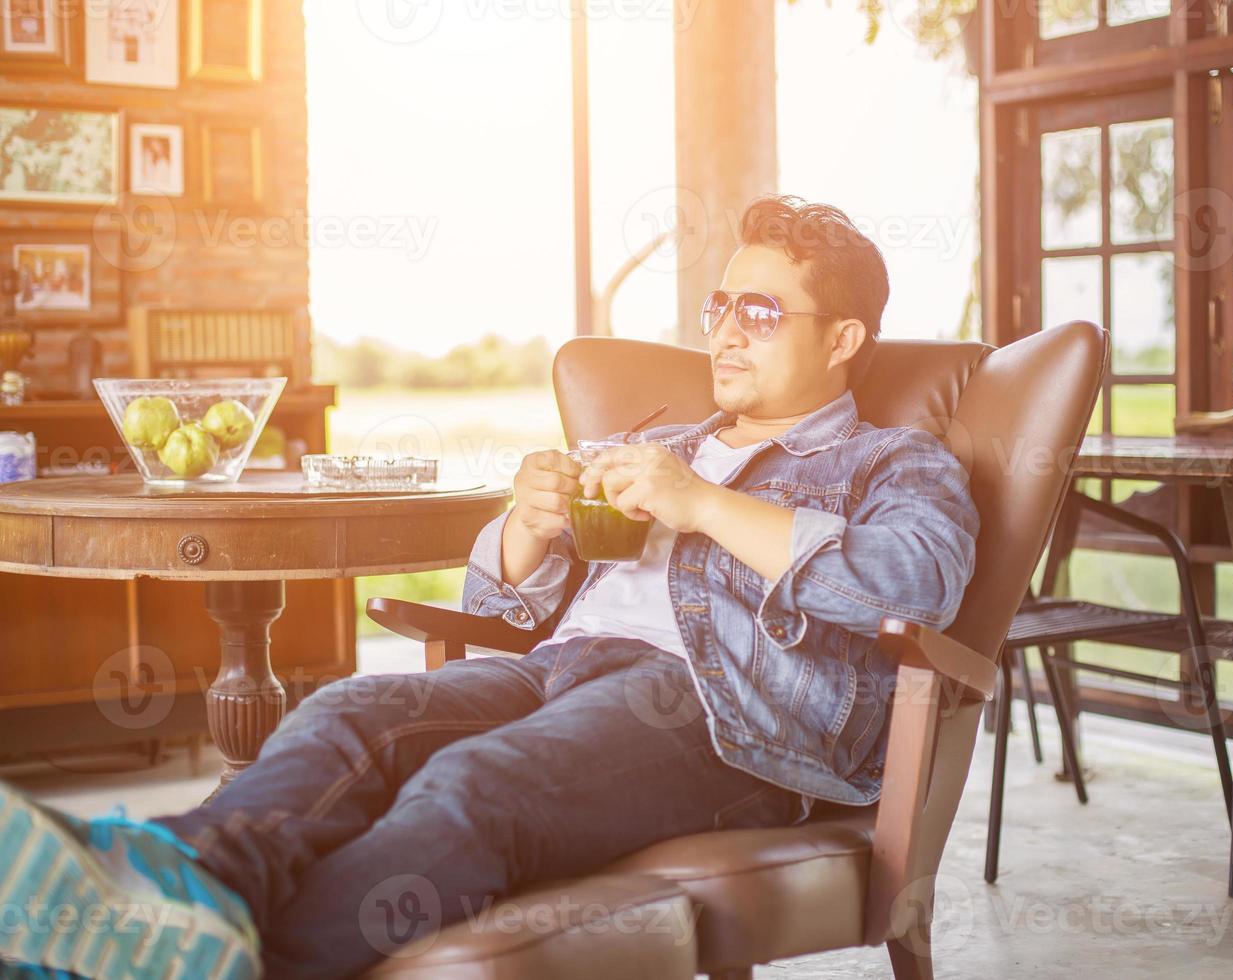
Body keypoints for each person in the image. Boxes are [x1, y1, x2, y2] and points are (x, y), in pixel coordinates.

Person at [0, 195, 980, 979]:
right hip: (557, 667)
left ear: (844, 338)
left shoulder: (893, 461)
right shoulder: (658, 441)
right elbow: (502, 606)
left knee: (474, 784)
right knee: (351, 712)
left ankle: (242, 961)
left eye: (758, 311)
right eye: (719, 306)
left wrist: (706, 505)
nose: (723, 331)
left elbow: (919, 582)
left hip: (724, 716)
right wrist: (526, 525)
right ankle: (155, 890)